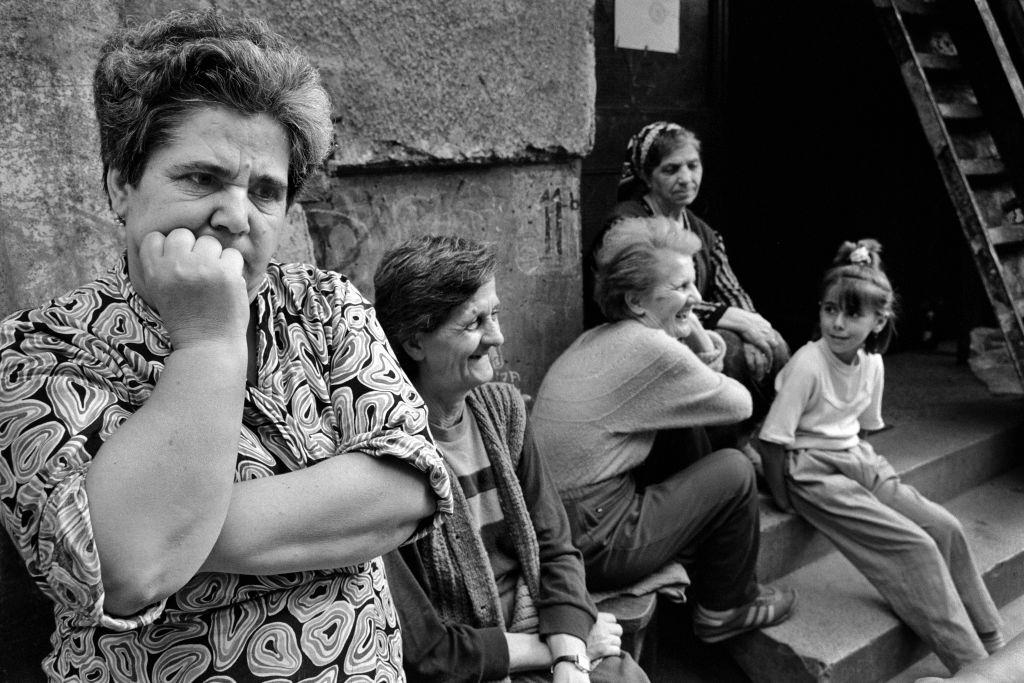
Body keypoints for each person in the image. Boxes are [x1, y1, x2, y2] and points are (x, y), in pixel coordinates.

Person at [0, 10, 451, 681]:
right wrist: (207, 341)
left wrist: (181, 522)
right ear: (122, 186)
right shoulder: (39, 350)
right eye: (201, 177)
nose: (236, 214)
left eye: (265, 192)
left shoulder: (325, 307)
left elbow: (409, 490)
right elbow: (132, 568)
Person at [373, 235, 649, 683]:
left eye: (495, 314)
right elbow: (427, 652)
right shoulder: (389, 457)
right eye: (474, 322)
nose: (497, 336)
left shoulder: (502, 411)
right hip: (479, 665)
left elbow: (556, 546)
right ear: (415, 342)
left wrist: (569, 658)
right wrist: (558, 654)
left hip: (542, 627)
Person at [531, 215, 796, 644]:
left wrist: (687, 324)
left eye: (693, 283)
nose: (696, 298)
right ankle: (725, 607)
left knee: (681, 429)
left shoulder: (601, 335)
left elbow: (699, 392)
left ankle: (703, 555)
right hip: (595, 542)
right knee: (734, 469)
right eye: (680, 287)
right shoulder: (652, 350)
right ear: (637, 302)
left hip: (561, 526)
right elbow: (739, 404)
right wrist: (700, 336)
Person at [758, 239, 1004, 673]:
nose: (837, 323)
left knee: (944, 527)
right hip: (809, 468)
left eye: (852, 314)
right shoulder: (807, 364)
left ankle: (992, 639)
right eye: (830, 309)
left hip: (855, 456)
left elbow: (864, 427)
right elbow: (774, 441)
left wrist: (871, 480)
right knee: (915, 546)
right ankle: (974, 667)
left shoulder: (873, 365)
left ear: (878, 321)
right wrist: (783, 496)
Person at [589, 122, 789, 444]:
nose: (686, 178)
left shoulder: (704, 232)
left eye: (692, 166)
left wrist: (753, 326)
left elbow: (730, 289)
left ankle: (760, 441)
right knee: (730, 348)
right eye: (671, 169)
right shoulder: (628, 224)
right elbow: (651, 297)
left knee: (773, 343)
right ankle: (722, 450)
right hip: (641, 334)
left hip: (684, 322)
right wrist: (729, 319)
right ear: (647, 176)